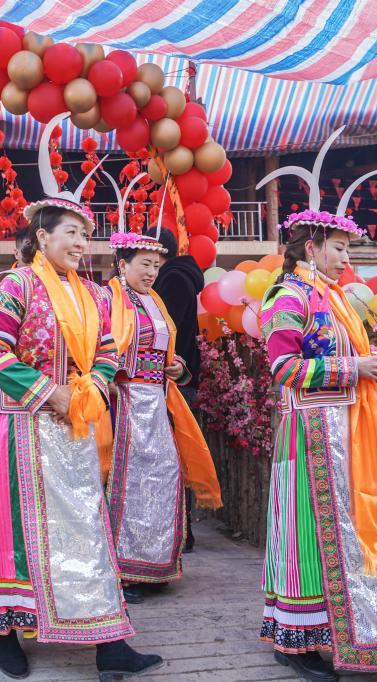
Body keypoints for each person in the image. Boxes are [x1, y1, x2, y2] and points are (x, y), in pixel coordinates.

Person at [0, 113, 163, 681]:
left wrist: (94, 387)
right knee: (17, 534)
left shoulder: (94, 295)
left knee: (85, 530)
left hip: (76, 428)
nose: (81, 243)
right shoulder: (16, 284)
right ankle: (6, 632)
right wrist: (50, 393)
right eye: (71, 234)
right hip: (23, 429)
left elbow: (107, 348)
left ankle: (109, 642)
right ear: (42, 238)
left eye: (85, 234)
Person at [255, 131, 377, 680]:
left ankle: (352, 630)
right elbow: (283, 369)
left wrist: (368, 366)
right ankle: (296, 642)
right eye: (340, 248)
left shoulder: (334, 298)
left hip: (344, 429)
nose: (347, 258)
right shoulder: (288, 296)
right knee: (306, 533)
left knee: (351, 528)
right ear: (311, 247)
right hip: (309, 433)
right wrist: (357, 368)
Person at [103, 224, 222, 606]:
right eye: (144, 264)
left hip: (156, 402)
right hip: (122, 403)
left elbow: (169, 352)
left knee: (163, 478)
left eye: (156, 265)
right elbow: (94, 349)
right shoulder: (107, 299)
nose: (152, 272)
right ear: (123, 264)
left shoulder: (154, 300)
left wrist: (177, 367)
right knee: (128, 484)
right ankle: (124, 569)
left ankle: (156, 565)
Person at [145, 226, 204, 553]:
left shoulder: (173, 280)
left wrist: (171, 365)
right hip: (176, 377)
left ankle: (181, 531)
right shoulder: (177, 277)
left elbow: (169, 331)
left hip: (174, 378)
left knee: (173, 457)